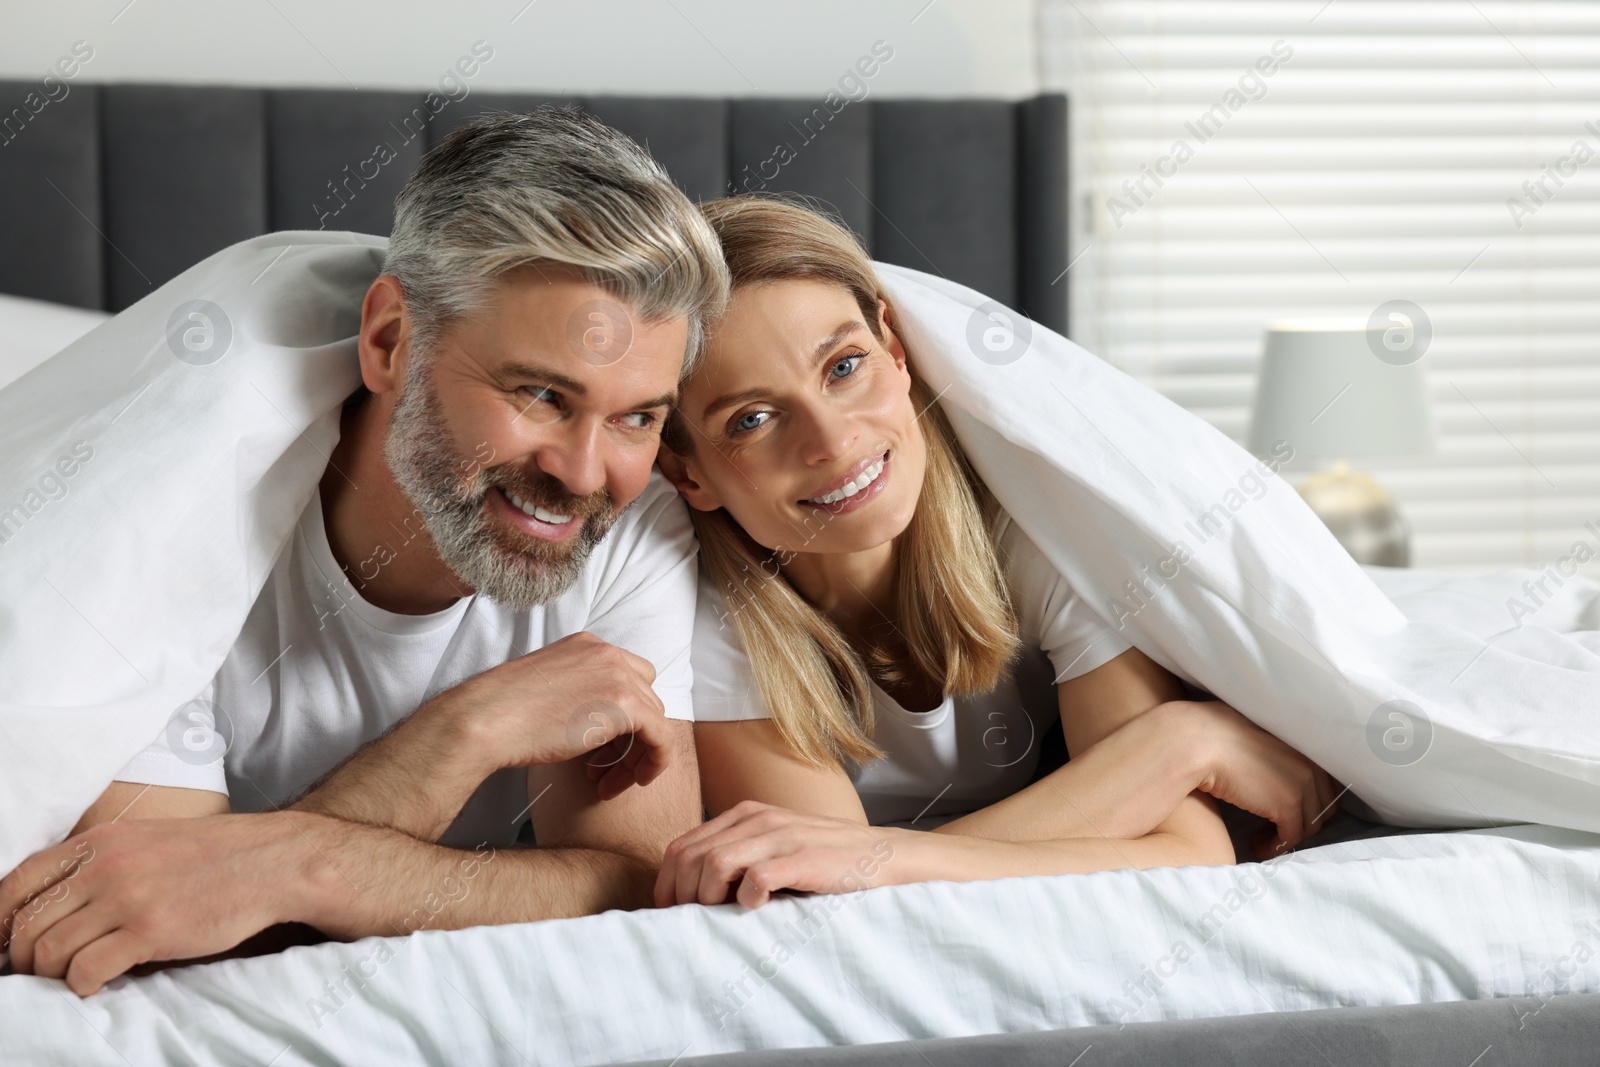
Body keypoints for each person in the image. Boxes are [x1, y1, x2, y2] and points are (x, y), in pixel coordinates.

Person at [0, 108, 729, 995]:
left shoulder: (634, 531)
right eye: (541, 394)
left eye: (636, 416)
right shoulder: (169, 527)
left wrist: (284, 866)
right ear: (390, 342)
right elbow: (145, 932)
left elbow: (633, 885)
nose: (583, 474)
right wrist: (465, 732)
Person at [654, 196, 1341, 908]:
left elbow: (1188, 853)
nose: (831, 440)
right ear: (689, 474)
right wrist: (1179, 746)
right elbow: (831, 899)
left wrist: (881, 857)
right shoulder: (708, 619)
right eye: (753, 419)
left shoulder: (1040, 530)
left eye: (844, 366)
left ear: (896, 353)